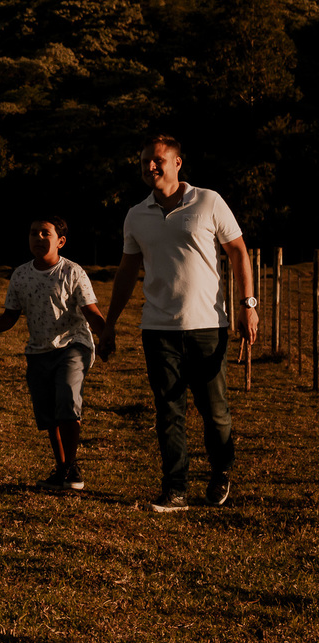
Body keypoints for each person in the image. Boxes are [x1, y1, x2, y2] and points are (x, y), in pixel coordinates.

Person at [98, 135, 258, 512]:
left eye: (156, 161)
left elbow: (237, 250)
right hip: (157, 329)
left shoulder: (208, 201)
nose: (149, 167)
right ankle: (176, 488)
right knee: (168, 411)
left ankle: (221, 470)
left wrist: (248, 304)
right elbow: (126, 270)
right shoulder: (136, 214)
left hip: (206, 326)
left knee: (214, 410)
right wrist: (110, 323)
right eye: (143, 163)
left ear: (177, 163)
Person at [0, 216, 106, 490]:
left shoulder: (72, 272)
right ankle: (62, 468)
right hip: (38, 351)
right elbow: (11, 315)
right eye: (33, 233)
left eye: (44, 233)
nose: (37, 238)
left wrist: (107, 333)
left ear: (60, 241)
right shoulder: (21, 274)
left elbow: (90, 311)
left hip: (73, 346)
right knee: (48, 413)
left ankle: (71, 467)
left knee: (67, 401)